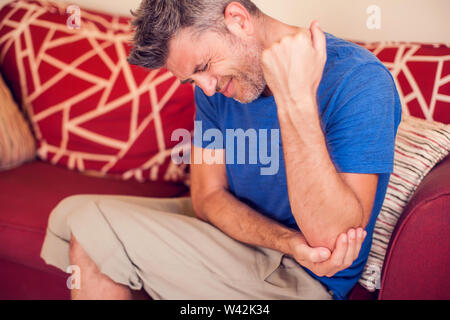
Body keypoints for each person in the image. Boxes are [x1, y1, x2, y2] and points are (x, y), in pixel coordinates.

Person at [40, 0, 401, 300]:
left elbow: (329, 240)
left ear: (238, 20)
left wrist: (295, 99)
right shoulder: (214, 90)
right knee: (69, 214)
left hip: (302, 276)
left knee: (89, 227)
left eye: (203, 67)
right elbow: (208, 195)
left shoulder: (359, 79)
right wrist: (288, 241)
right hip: (247, 238)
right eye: (192, 79)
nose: (207, 89)